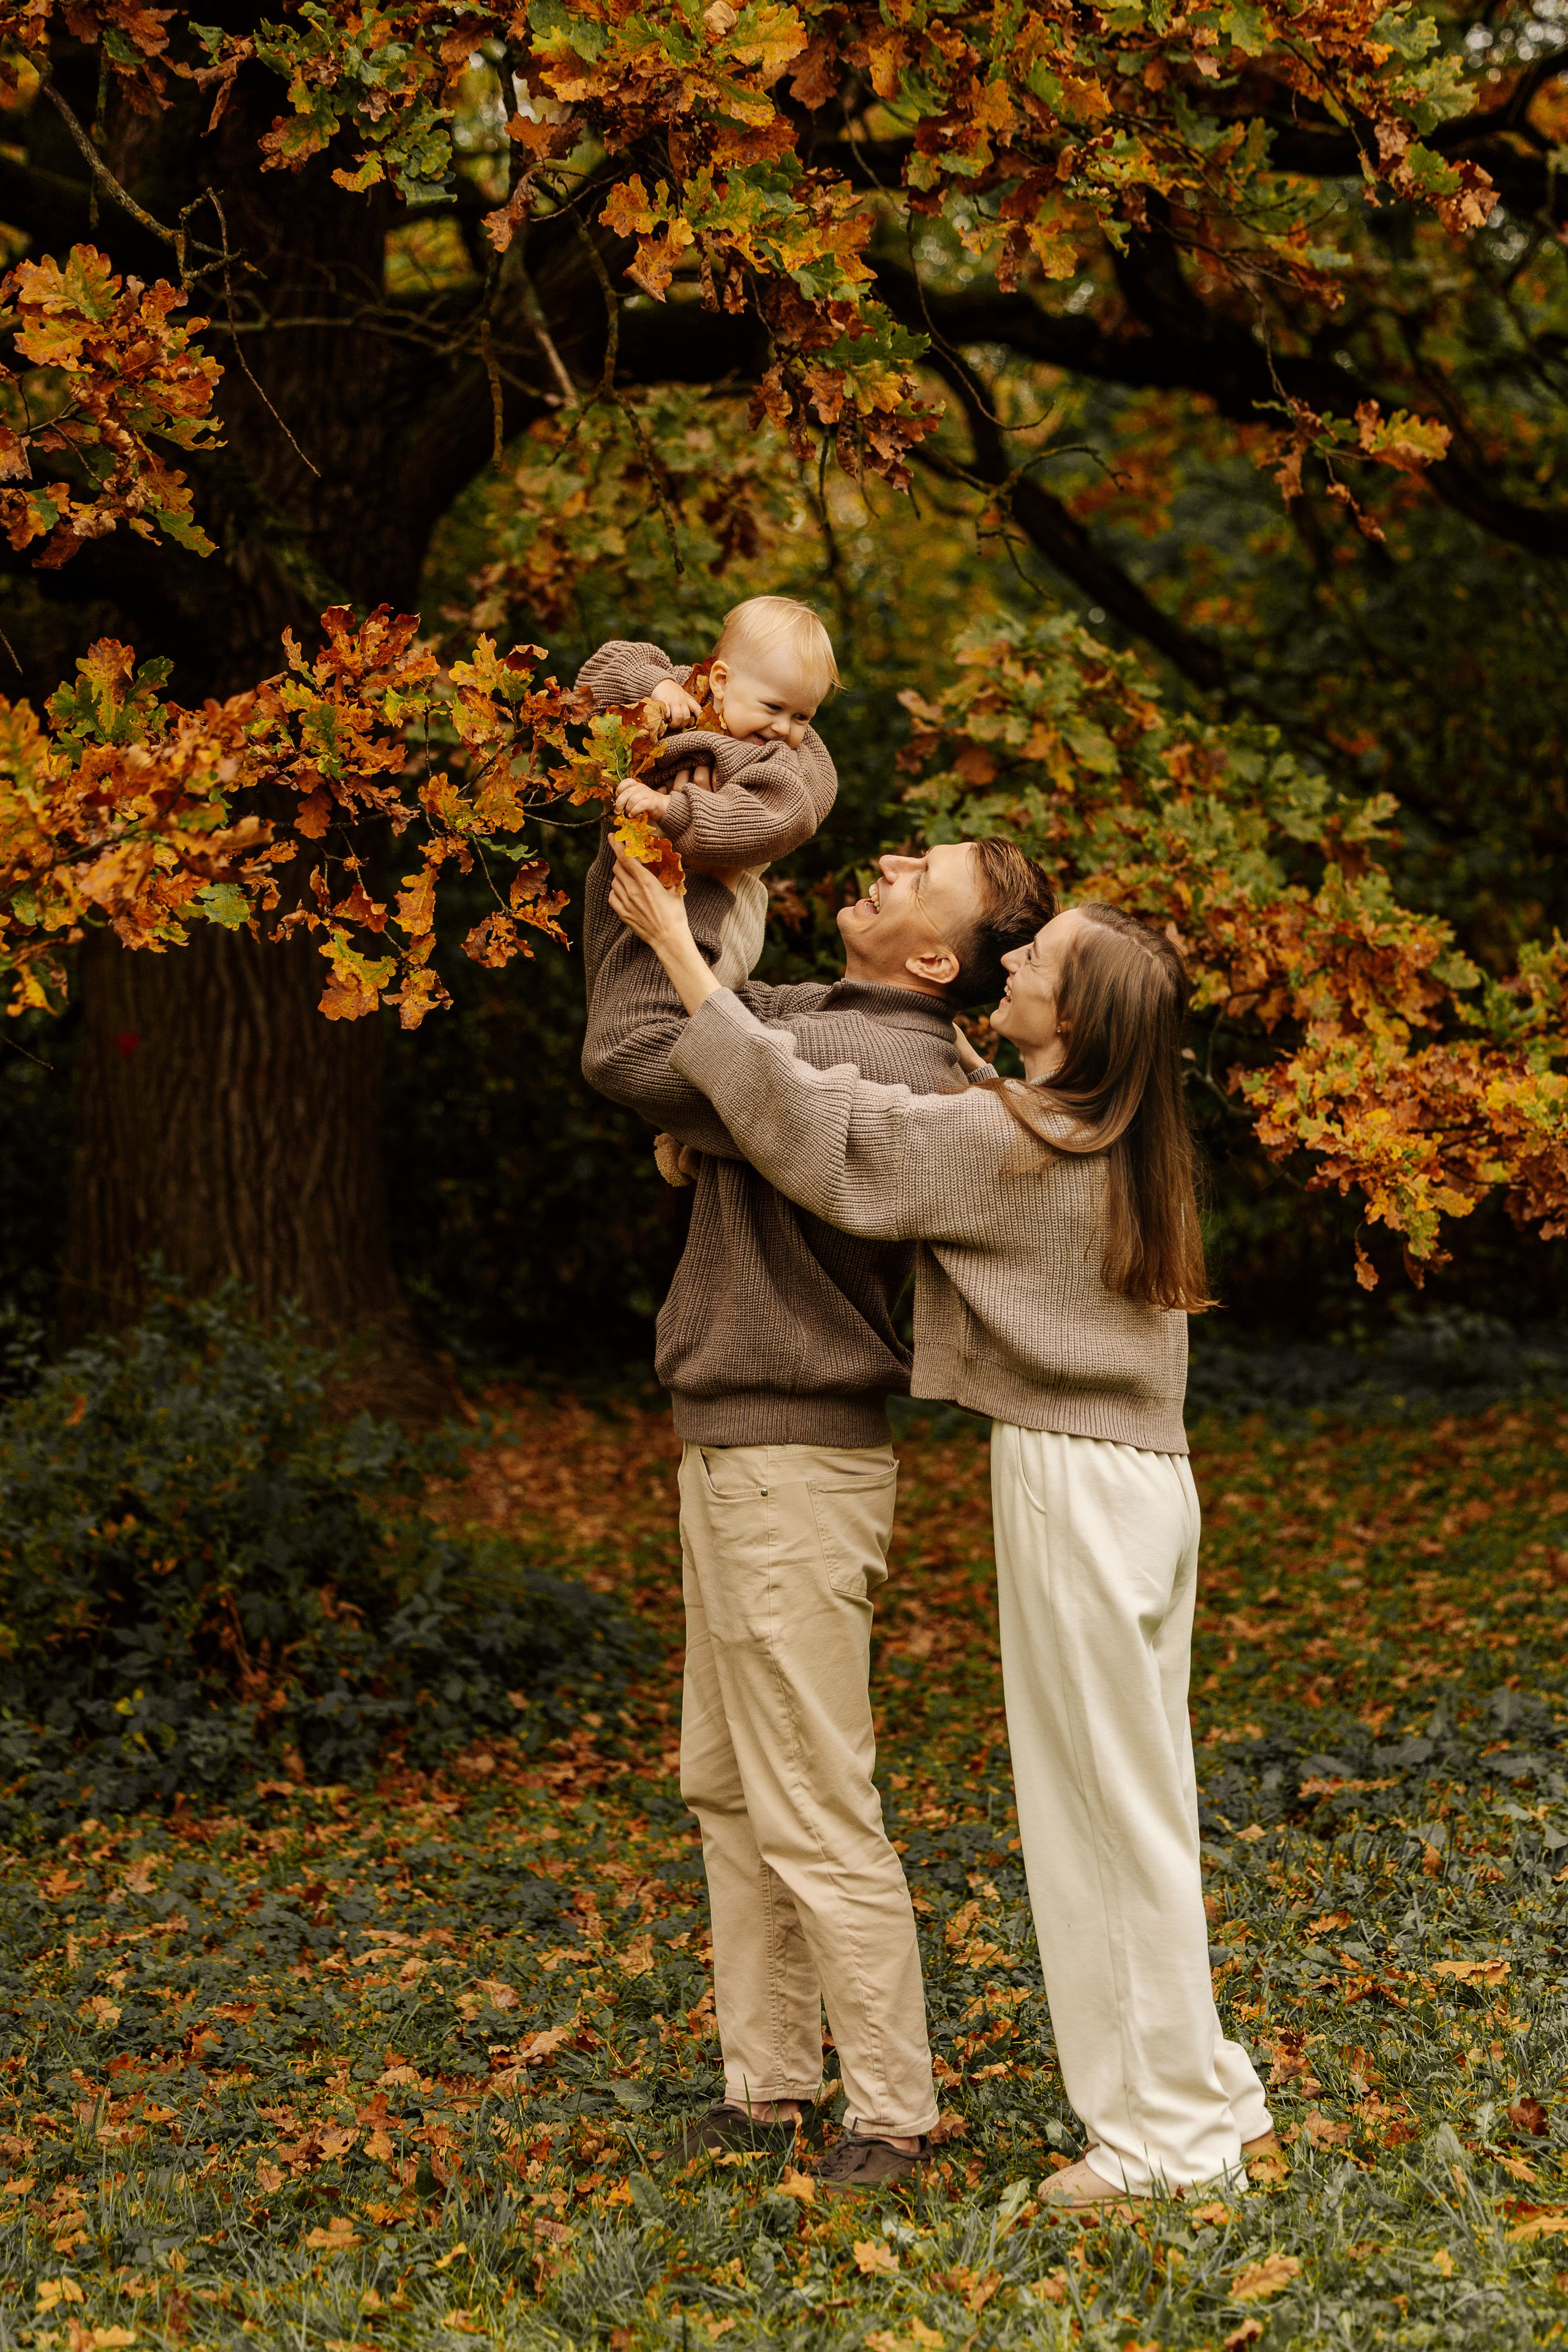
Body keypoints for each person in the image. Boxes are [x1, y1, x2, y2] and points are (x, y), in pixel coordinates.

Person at [606, 852, 1277, 2208]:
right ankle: (1200, 2094)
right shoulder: (1072, 1123)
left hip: (1077, 1487)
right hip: (1133, 1484)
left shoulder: (1009, 1140)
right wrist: (719, 1124)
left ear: (1073, 1024)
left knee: (1096, 1820)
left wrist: (679, 957)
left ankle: (1158, 2143)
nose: (1012, 965)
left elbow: (840, 1140)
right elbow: (860, 1110)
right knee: (1133, 1808)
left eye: (1037, 964)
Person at [580, 810, 1057, 2193]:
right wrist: (673, 854)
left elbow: (623, 1049)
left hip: (791, 1463)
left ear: (931, 967)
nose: (896, 862)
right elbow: (700, 1040)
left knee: (807, 1794)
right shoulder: (818, 1015)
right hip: (736, 1446)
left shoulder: (865, 1048)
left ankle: (891, 2114)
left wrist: (655, 883)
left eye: (930, 880)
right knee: (729, 1785)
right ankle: (768, 2083)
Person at [577, 596, 839, 993]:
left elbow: (776, 817)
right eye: (774, 707)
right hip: (627, 885)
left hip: (717, 917)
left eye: (802, 716)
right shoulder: (685, 694)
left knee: (678, 1006)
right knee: (614, 986)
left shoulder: (784, 759)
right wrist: (658, 686)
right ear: (722, 681)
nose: (786, 728)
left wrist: (671, 807)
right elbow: (600, 672)